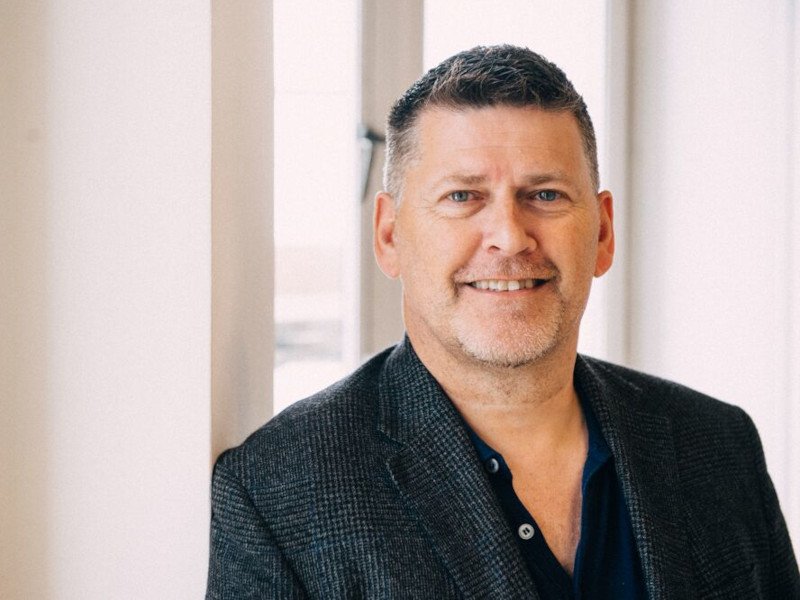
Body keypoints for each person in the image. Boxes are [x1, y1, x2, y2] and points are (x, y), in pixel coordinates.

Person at [206, 45, 799, 599]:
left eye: (544, 194)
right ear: (390, 236)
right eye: (463, 196)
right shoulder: (275, 496)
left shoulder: (719, 445)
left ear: (601, 232)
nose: (510, 236)